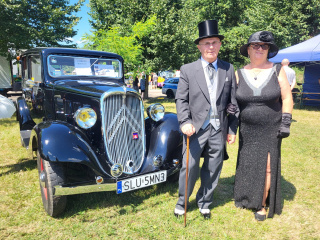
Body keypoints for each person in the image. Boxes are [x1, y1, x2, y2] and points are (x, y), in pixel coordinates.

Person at [174, 19, 239, 219]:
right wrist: (185, 122)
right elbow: (181, 99)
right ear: (199, 46)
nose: (211, 47)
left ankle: (204, 202)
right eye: (206, 43)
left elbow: (233, 102)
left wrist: (232, 129)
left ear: (220, 44)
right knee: (189, 166)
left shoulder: (228, 68)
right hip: (195, 128)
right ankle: (182, 202)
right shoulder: (187, 69)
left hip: (219, 127)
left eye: (214, 42)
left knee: (213, 166)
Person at [234, 31, 293, 221]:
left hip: (271, 128)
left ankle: (261, 204)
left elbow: (286, 97)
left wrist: (286, 121)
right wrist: (231, 108)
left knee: (267, 166)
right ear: (248, 50)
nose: (260, 49)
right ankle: (246, 197)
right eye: (256, 46)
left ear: (269, 50)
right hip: (247, 129)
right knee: (248, 163)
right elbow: (233, 100)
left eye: (264, 46)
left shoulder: (277, 70)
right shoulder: (239, 72)